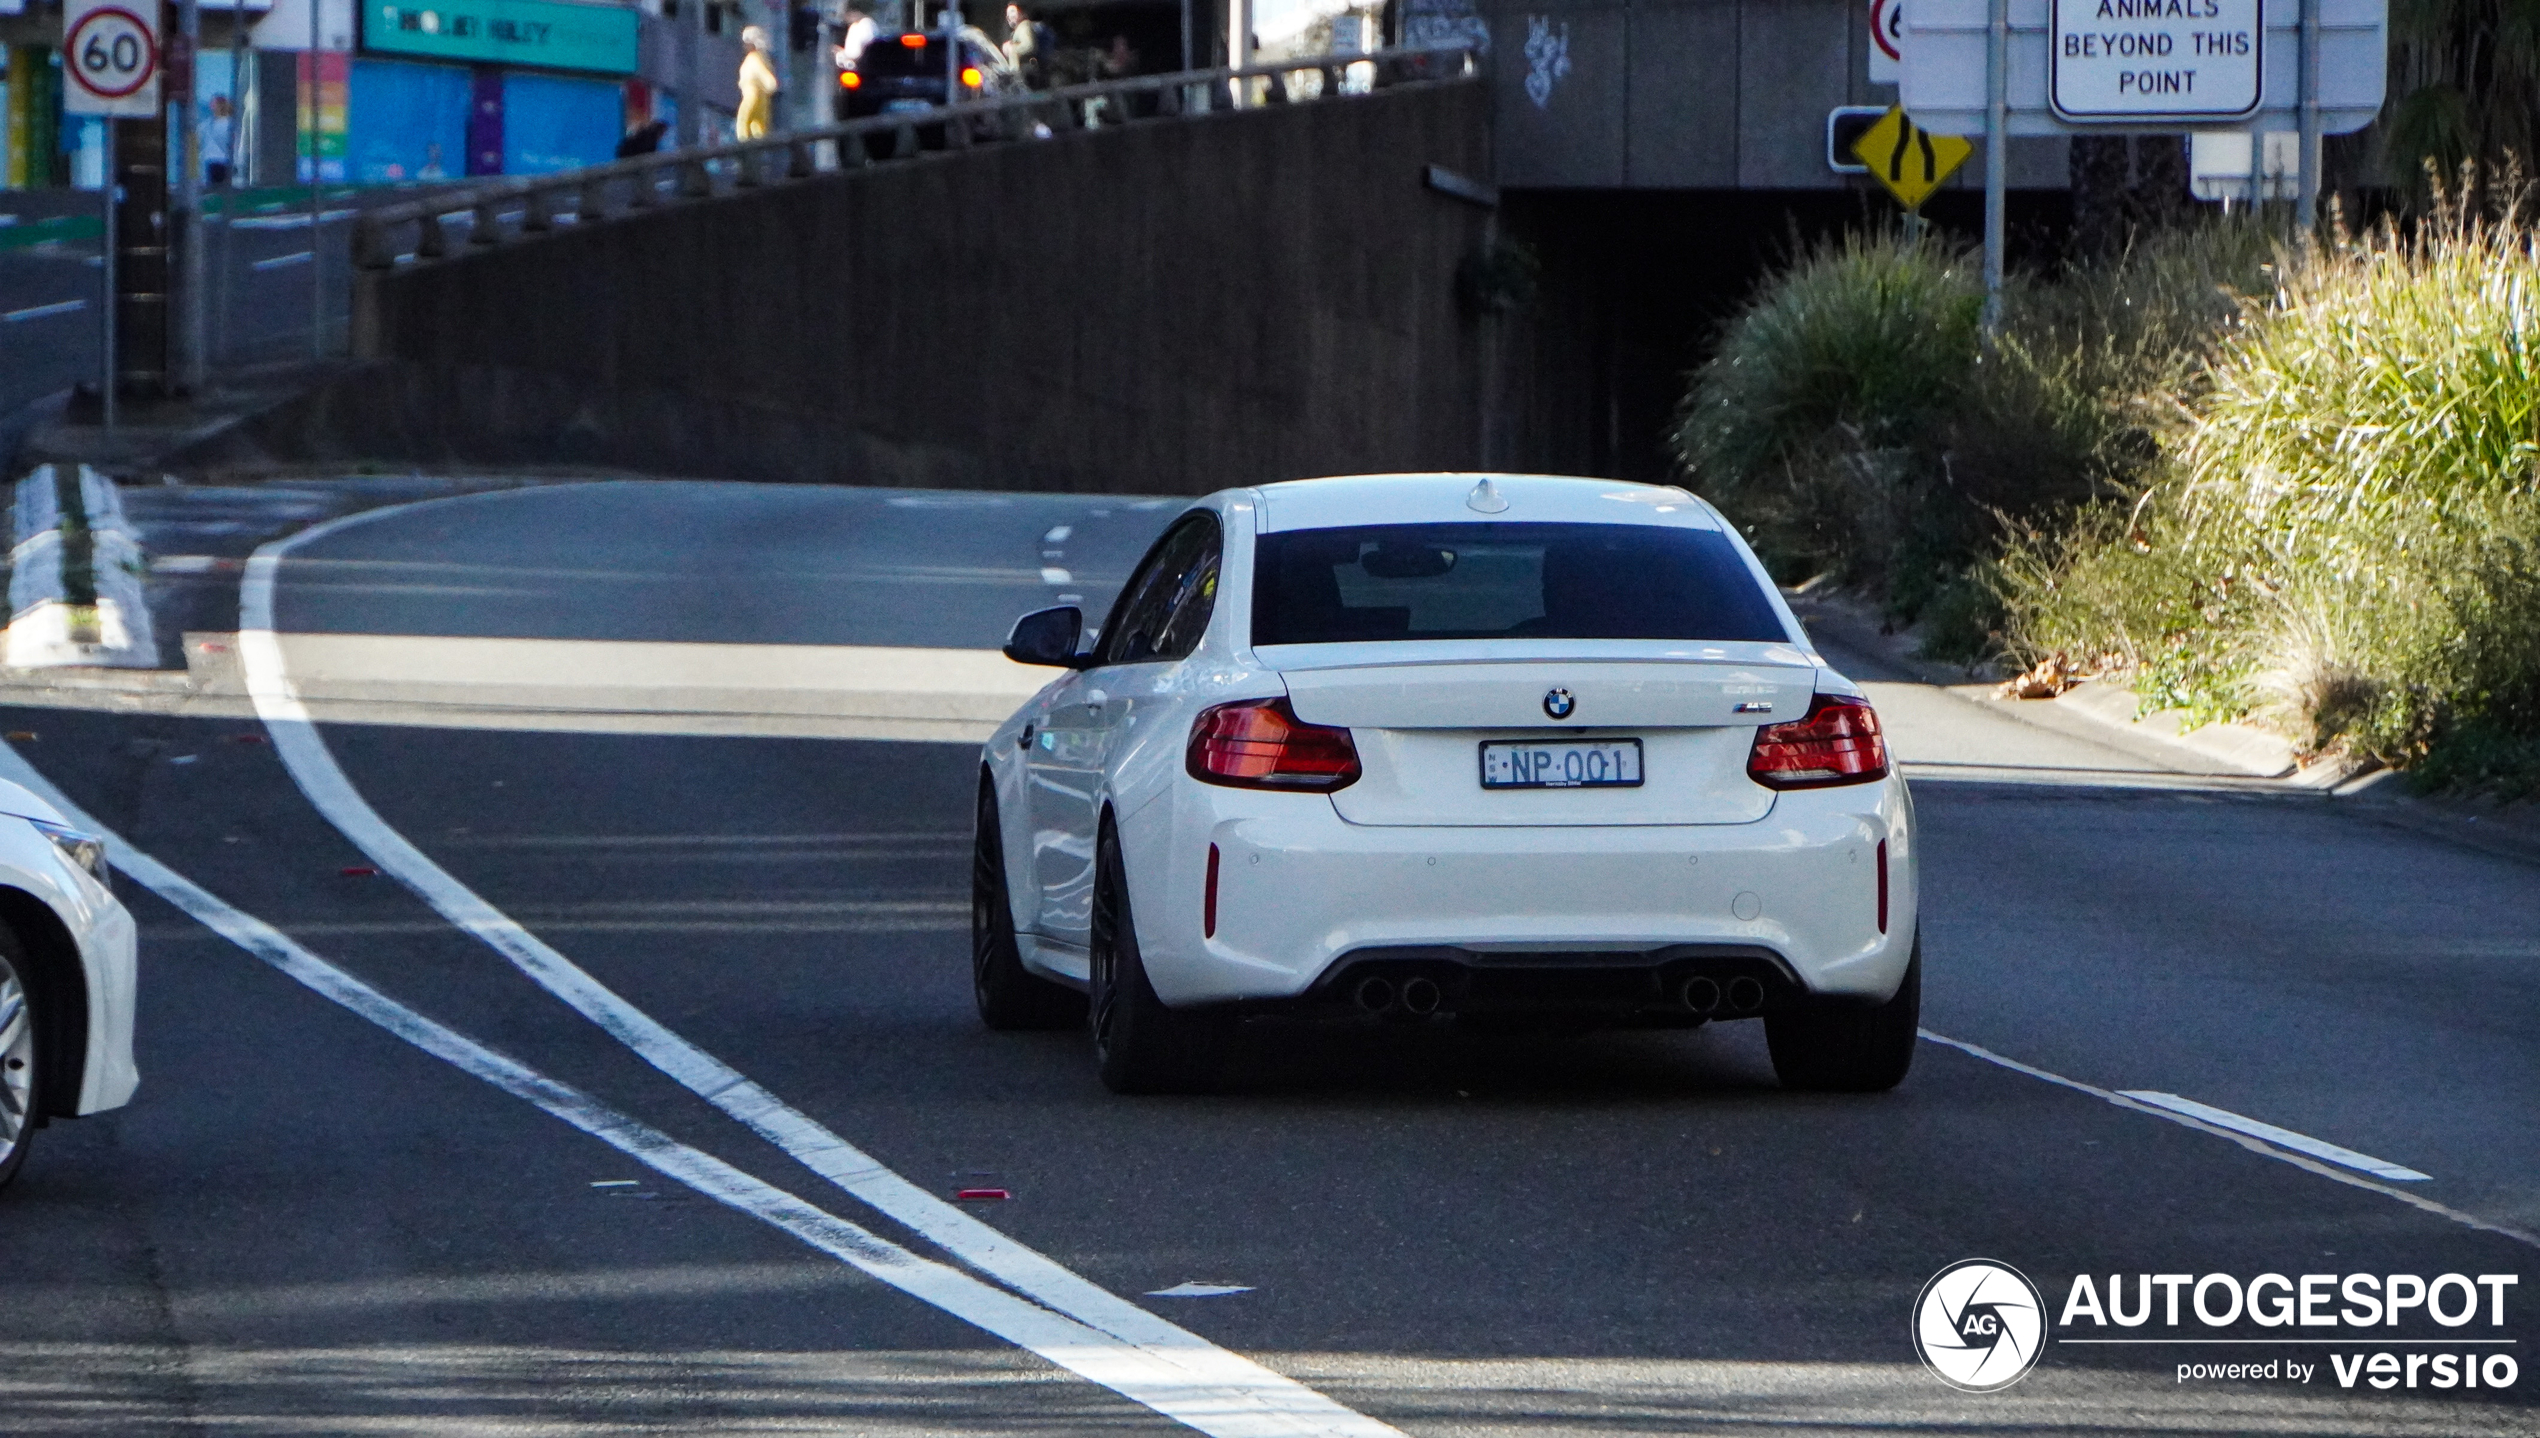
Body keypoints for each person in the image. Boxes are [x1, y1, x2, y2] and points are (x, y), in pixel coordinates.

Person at [736, 25, 781, 139]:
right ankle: (759, 149)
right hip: (762, 97)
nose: (744, 46)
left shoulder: (754, 58)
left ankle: (743, 145)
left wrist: (770, 83)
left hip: (753, 94)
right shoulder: (762, 58)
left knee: (744, 118)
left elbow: (762, 72)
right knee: (758, 126)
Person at [203, 94, 236, 186]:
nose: (211, 105)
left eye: (213, 103)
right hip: (214, 160)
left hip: (221, 161)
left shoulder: (226, 123)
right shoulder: (210, 123)